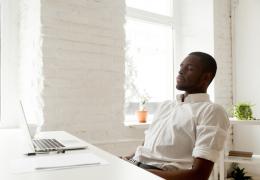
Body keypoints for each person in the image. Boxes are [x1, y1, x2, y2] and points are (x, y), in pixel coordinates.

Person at [122, 52, 230, 180]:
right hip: (134, 167)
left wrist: (139, 174)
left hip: (156, 174)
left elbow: (199, 175)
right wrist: (125, 160)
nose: (180, 72)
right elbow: (146, 148)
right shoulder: (165, 106)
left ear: (205, 78)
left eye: (189, 69)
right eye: (181, 67)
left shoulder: (212, 111)